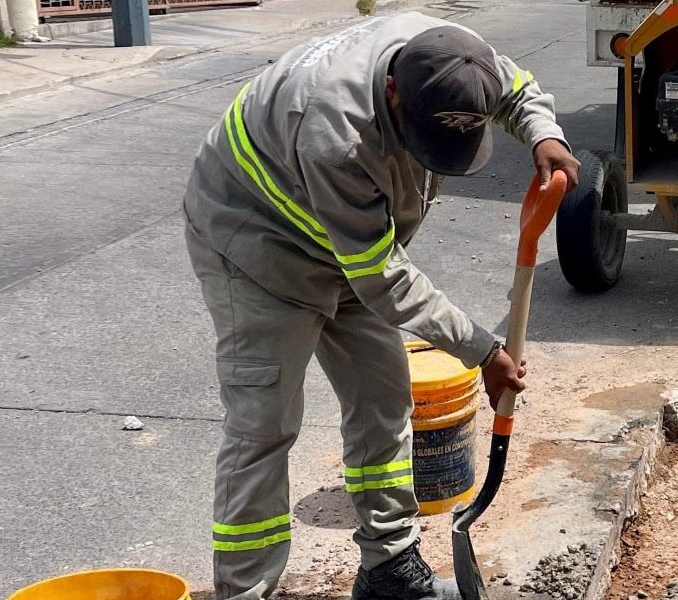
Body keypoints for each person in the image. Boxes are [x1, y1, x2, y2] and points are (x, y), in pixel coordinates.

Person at [181, 13, 579, 600]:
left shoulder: (456, 62)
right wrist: (482, 350)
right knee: (262, 425)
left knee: (384, 400)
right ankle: (243, 591)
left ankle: (389, 568)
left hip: (353, 241)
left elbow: (518, 87)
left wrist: (545, 134)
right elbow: (382, 279)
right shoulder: (336, 133)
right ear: (393, 92)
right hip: (257, 244)